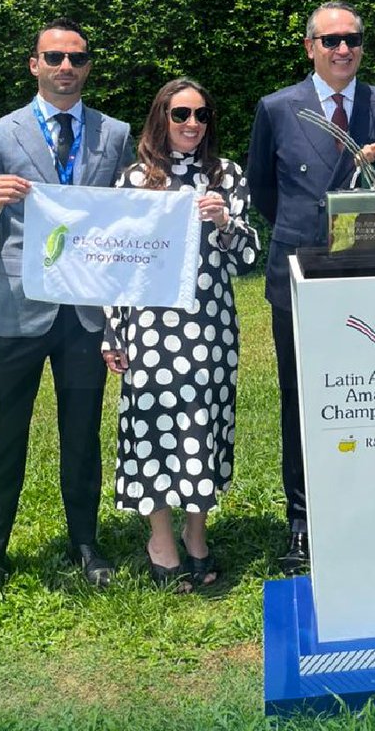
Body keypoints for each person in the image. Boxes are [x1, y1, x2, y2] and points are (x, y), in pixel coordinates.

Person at [0, 18, 133, 613]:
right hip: (15, 312)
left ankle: (87, 544)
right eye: (53, 56)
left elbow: (129, 219)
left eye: (76, 58)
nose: (65, 67)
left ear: (88, 66)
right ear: (34, 63)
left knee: (82, 436)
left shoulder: (114, 134)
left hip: (84, 314)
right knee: (2, 442)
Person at [247, 1, 375, 571]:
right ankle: (304, 520)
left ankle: (367, 506)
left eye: (353, 39)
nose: (343, 49)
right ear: (310, 46)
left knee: (370, 395)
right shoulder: (277, 107)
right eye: (331, 40)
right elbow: (263, 188)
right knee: (302, 398)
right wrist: (304, 233)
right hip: (300, 273)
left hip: (369, 276)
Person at [101, 79, 259, 588]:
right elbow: (116, 265)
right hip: (149, 325)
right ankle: (161, 540)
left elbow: (249, 257)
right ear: (161, 118)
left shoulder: (227, 176)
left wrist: (226, 222)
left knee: (201, 425)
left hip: (210, 324)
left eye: (202, 115)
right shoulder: (133, 180)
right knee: (152, 427)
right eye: (181, 114)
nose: (192, 124)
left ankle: (196, 534)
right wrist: (113, 332)